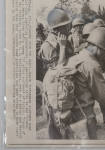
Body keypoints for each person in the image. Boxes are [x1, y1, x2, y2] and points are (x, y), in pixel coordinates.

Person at [67, 27, 105, 139]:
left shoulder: (75, 58)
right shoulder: (92, 65)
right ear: (98, 48)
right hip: (85, 114)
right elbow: (103, 97)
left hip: (71, 113)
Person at [38, 8, 74, 139]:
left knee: (68, 123)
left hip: (66, 87)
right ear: (56, 29)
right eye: (65, 26)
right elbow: (58, 70)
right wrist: (63, 47)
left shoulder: (64, 39)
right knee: (59, 123)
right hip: (56, 89)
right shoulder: (48, 46)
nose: (68, 28)